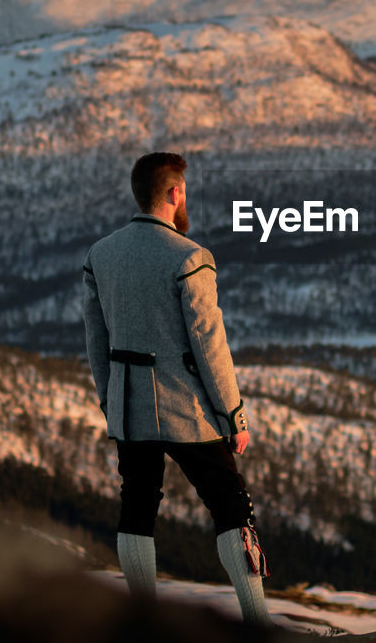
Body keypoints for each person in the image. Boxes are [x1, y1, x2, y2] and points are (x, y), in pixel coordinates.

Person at [81, 152, 271, 626]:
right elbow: (210, 344)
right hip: (186, 407)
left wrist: (110, 400)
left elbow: (96, 338)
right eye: (184, 189)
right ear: (174, 193)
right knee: (231, 505)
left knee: (138, 504)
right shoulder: (190, 258)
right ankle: (256, 622)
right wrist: (233, 414)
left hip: (128, 405)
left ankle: (143, 620)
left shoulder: (100, 255)